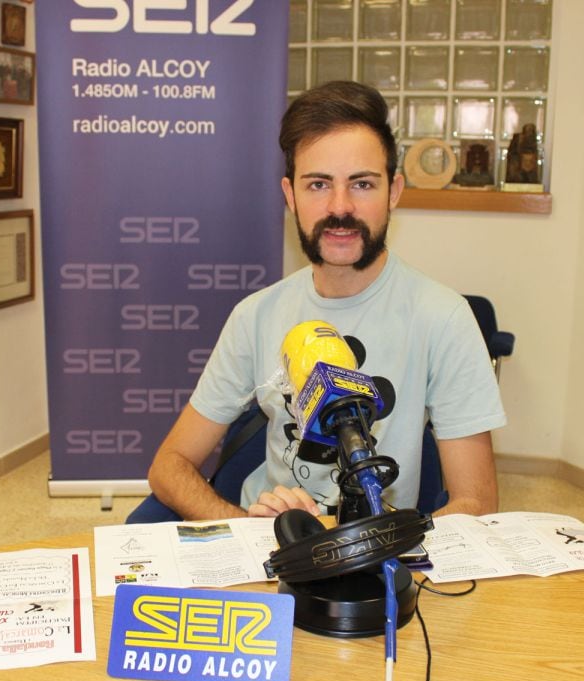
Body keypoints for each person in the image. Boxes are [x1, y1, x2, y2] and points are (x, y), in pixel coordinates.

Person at [145, 81, 506, 521]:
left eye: (362, 184)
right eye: (318, 184)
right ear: (290, 196)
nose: (340, 207)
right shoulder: (255, 316)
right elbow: (169, 466)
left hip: (377, 542)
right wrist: (248, 532)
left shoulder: (443, 318)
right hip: (269, 538)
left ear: (393, 192)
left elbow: (476, 503)